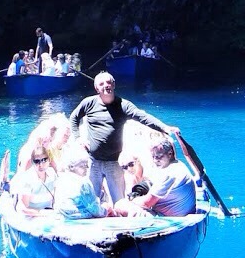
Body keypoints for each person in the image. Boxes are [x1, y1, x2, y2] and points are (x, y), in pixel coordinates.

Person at [68, 72, 180, 207]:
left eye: (109, 82)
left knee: (119, 202)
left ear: (114, 85)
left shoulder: (123, 105)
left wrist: (164, 127)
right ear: (96, 88)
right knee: (92, 201)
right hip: (93, 162)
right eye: (102, 84)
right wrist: (78, 138)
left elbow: (142, 117)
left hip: (113, 163)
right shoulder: (88, 103)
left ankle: (121, 226)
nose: (106, 86)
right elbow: (74, 118)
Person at [128, 137, 195, 217]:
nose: (155, 160)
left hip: (168, 219)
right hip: (181, 213)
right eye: (153, 157)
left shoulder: (169, 173)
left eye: (158, 156)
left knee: (121, 205)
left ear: (170, 154)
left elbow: (145, 204)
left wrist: (133, 199)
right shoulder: (178, 165)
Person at [53, 144, 109, 220]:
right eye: (82, 166)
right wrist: (105, 210)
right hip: (78, 219)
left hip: (61, 218)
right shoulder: (83, 183)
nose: (86, 168)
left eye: (86, 165)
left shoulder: (61, 179)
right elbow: (95, 210)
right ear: (71, 166)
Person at [11, 145, 56, 213]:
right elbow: (24, 208)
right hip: (32, 217)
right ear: (32, 162)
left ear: (49, 160)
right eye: (37, 161)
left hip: (49, 213)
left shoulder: (52, 173)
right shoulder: (28, 179)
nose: (41, 164)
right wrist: (42, 213)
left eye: (44, 160)